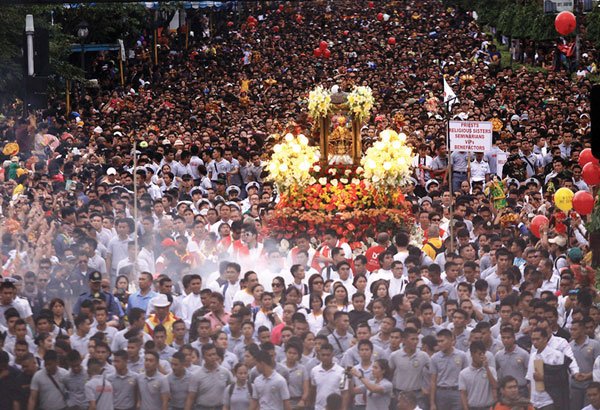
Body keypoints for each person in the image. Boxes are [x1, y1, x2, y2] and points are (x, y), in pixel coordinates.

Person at [184, 343, 234, 410]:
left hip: (221, 407)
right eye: (209, 355)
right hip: (202, 407)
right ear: (204, 357)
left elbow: (232, 391)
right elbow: (191, 398)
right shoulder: (196, 375)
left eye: (214, 354)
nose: (213, 357)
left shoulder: (225, 372)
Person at [430, 329, 468, 410]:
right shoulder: (434, 358)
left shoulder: (462, 355)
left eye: (442, 341)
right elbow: (433, 381)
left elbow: (466, 378)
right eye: (438, 341)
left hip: (457, 391)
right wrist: (432, 403)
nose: (439, 344)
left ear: (451, 340)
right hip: (441, 392)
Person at [309, 343, 349, 410]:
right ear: (319, 355)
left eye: (328, 355)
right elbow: (313, 389)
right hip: (318, 408)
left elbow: (344, 393)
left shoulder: (342, 372)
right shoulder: (314, 371)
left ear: (332, 355)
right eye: (323, 355)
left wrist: (343, 408)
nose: (325, 357)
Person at [459, 340, 497, 410]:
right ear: (472, 354)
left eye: (483, 353)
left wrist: (486, 368)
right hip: (472, 407)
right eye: (479, 354)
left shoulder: (491, 370)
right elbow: (463, 394)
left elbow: (495, 386)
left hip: (488, 407)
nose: (482, 356)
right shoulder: (463, 373)